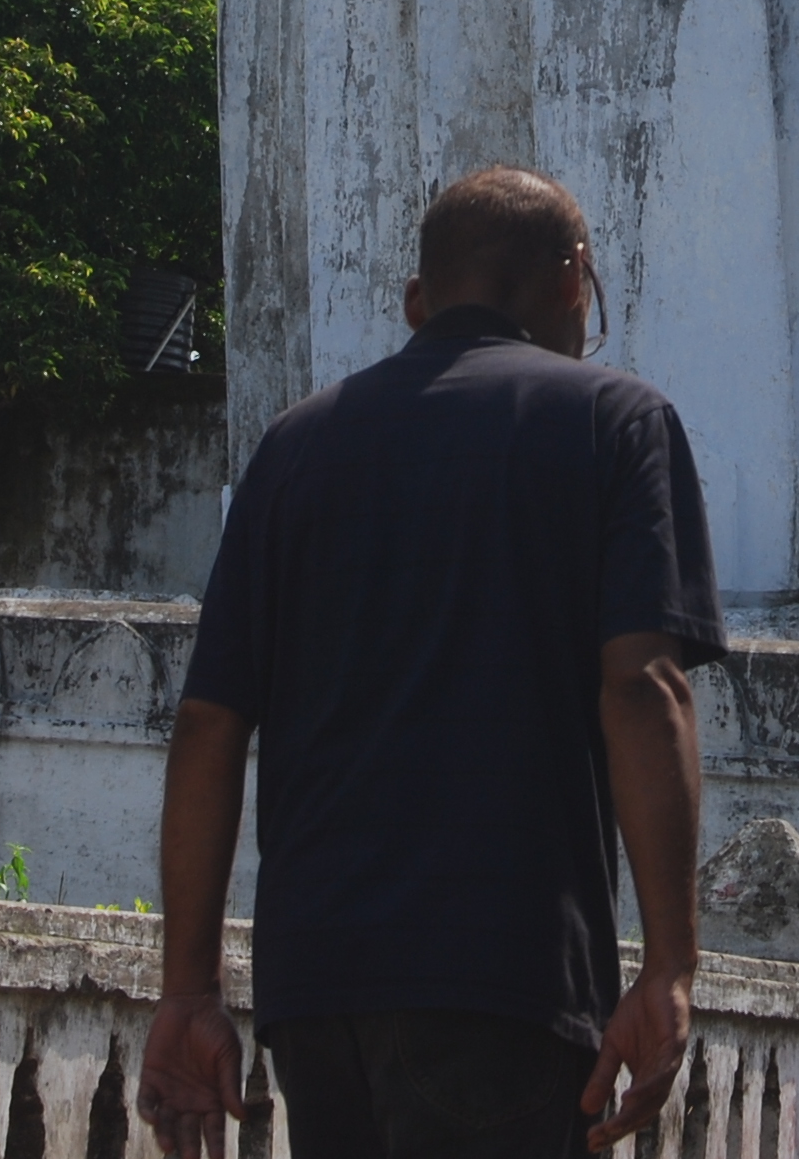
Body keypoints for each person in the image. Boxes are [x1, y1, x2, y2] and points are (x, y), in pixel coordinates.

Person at [139, 166, 727, 1159]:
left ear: (417, 302)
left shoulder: (293, 448)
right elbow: (640, 685)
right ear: (573, 281)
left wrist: (188, 991)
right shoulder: (615, 423)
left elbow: (206, 724)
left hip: (315, 992)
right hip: (502, 976)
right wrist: (668, 963)